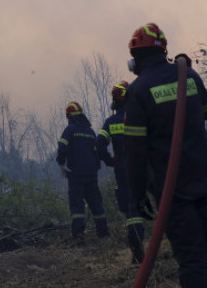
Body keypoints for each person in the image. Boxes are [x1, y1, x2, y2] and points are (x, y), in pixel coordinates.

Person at [123, 23, 207, 288]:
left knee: (192, 258)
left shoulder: (139, 91)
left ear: (137, 57)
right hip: (206, 180)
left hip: (175, 192)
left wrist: (137, 193)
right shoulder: (189, 75)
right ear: (164, 51)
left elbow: (134, 152)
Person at [97, 80, 146, 263]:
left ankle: (137, 246)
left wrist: (110, 160)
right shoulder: (140, 115)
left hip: (124, 169)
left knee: (131, 208)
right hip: (146, 165)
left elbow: (99, 144)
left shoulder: (110, 123)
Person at [56, 100, 109, 245]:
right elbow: (96, 153)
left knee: (77, 205)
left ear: (70, 116)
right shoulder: (90, 131)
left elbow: (62, 147)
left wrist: (61, 163)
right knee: (96, 204)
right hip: (91, 175)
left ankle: (79, 237)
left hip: (76, 175)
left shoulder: (70, 130)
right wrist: (95, 168)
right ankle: (103, 234)